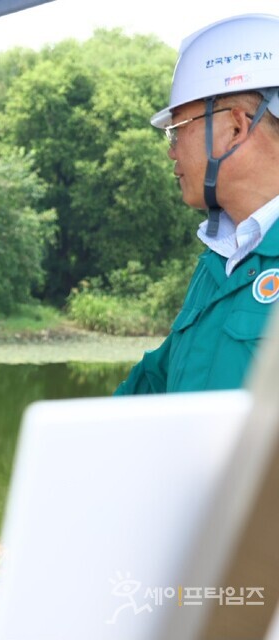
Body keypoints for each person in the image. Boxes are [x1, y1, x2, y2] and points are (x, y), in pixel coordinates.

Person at [116, 14, 279, 395]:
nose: (171, 151)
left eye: (176, 130)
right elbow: (155, 385)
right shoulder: (221, 261)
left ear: (236, 126)